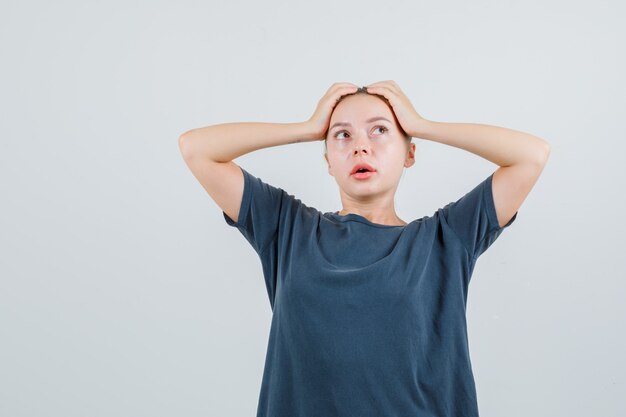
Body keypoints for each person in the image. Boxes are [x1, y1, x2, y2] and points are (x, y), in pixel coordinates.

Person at [178, 81, 550, 417]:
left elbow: (531, 156)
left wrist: (422, 124)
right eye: (342, 135)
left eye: (380, 130)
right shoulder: (287, 227)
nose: (360, 145)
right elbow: (196, 149)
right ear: (327, 162)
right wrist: (306, 128)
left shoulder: (445, 238)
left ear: (410, 153)